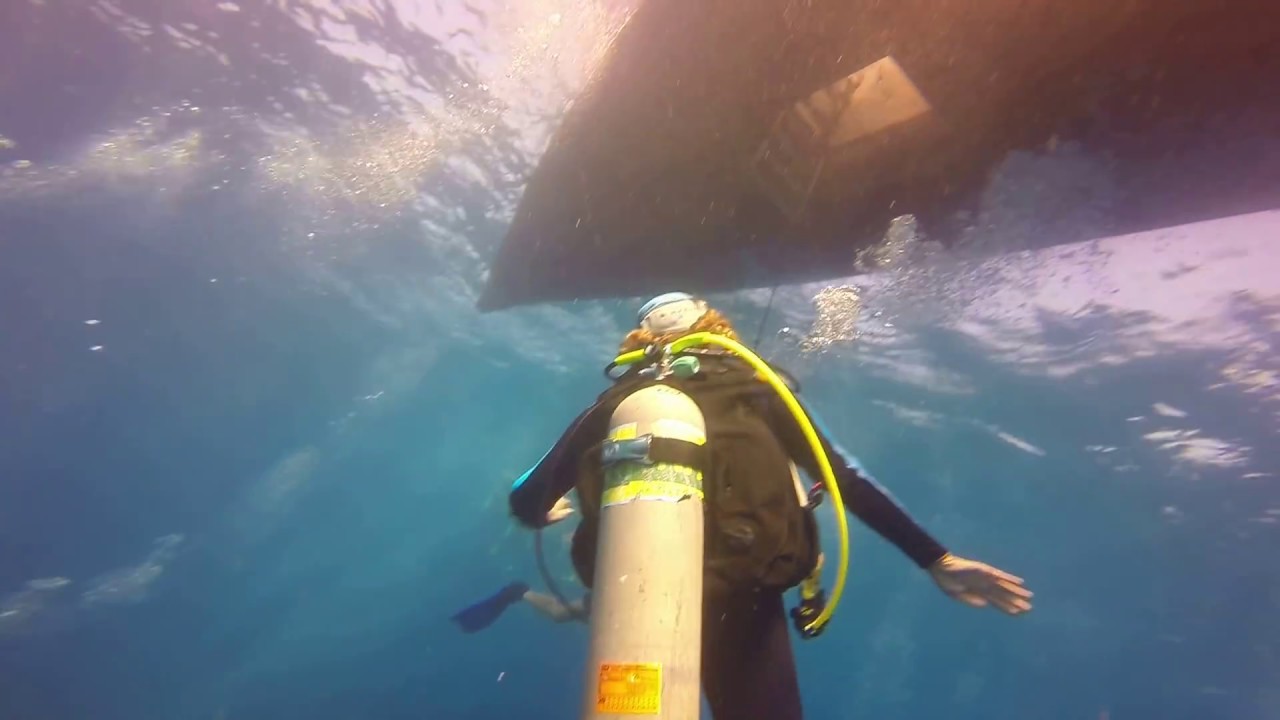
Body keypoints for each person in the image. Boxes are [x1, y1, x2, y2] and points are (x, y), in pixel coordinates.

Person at [506, 292, 1033, 720]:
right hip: (744, 594)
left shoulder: (615, 403)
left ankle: (540, 600)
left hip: (635, 582)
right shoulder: (757, 387)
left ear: (639, 343)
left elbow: (528, 494)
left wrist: (539, 513)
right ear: (719, 330)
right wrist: (935, 558)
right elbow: (845, 478)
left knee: (602, 625)